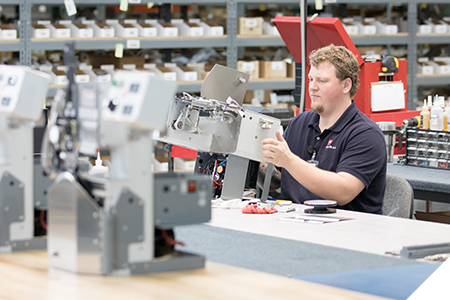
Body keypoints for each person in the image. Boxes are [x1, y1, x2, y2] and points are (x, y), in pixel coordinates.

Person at [260, 44, 386, 214]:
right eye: (311, 79)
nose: (312, 87)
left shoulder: (365, 134)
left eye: (322, 81)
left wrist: (289, 161)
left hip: (346, 231)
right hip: (294, 223)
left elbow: (343, 191)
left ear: (346, 85)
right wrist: (247, 153)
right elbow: (276, 180)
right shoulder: (299, 123)